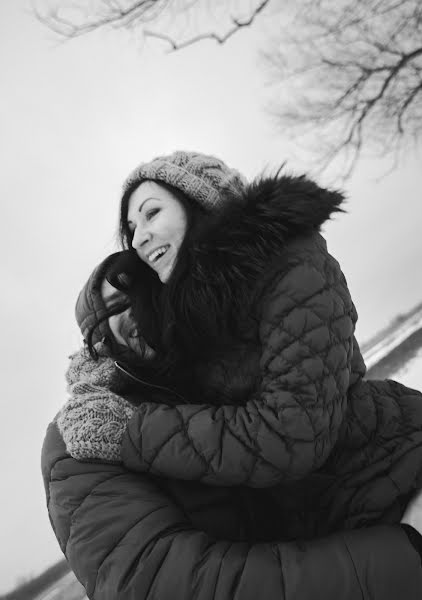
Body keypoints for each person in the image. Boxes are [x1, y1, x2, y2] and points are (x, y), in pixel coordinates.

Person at [42, 151, 422, 599]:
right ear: (92, 341)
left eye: (136, 298)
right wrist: (405, 556)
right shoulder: (78, 438)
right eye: (106, 316)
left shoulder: (247, 303)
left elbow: (293, 432)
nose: (128, 319)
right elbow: (170, 584)